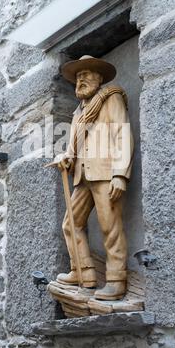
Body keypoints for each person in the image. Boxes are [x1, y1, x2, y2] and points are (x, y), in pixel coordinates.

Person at [56, 55, 134, 300]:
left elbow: (123, 134)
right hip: (82, 176)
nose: (81, 80)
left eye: (86, 75)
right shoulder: (77, 112)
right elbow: (73, 148)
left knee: (110, 226)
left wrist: (120, 174)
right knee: (71, 224)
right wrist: (66, 158)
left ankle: (116, 280)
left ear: (99, 78)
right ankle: (83, 272)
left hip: (105, 172)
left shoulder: (111, 99)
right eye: (78, 76)